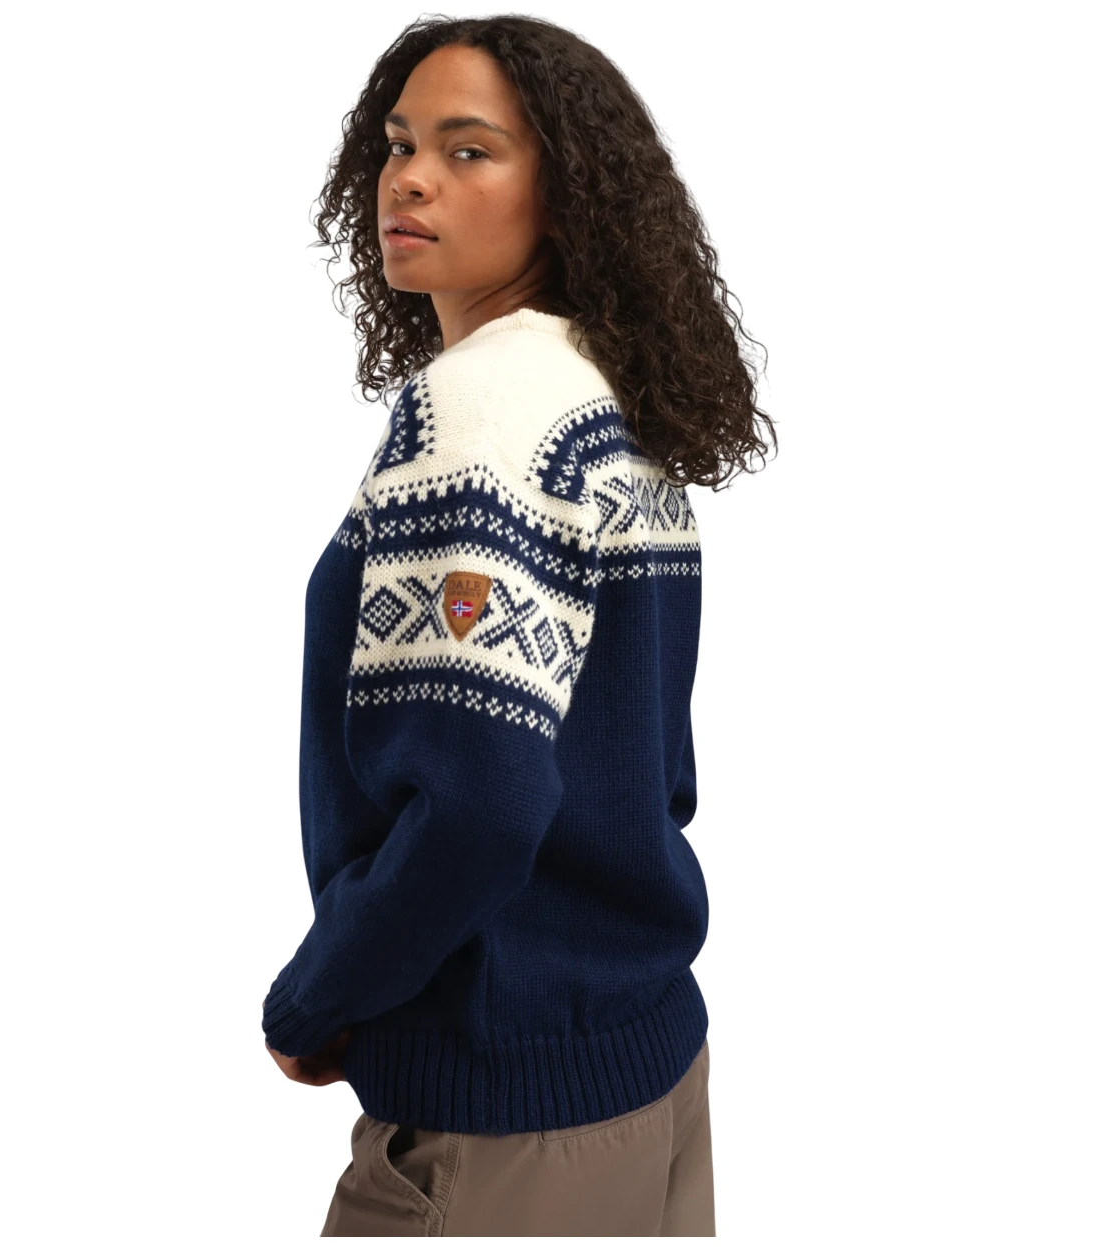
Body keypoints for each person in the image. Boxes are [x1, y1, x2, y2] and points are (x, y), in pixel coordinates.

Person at [261, 14, 775, 1236]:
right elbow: (650, 765)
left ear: (565, 196)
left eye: (469, 149)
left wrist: (321, 994)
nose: (409, 179)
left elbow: (482, 805)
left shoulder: (481, 413)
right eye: (398, 144)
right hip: (643, 1064)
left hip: (504, 1112)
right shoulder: (600, 397)